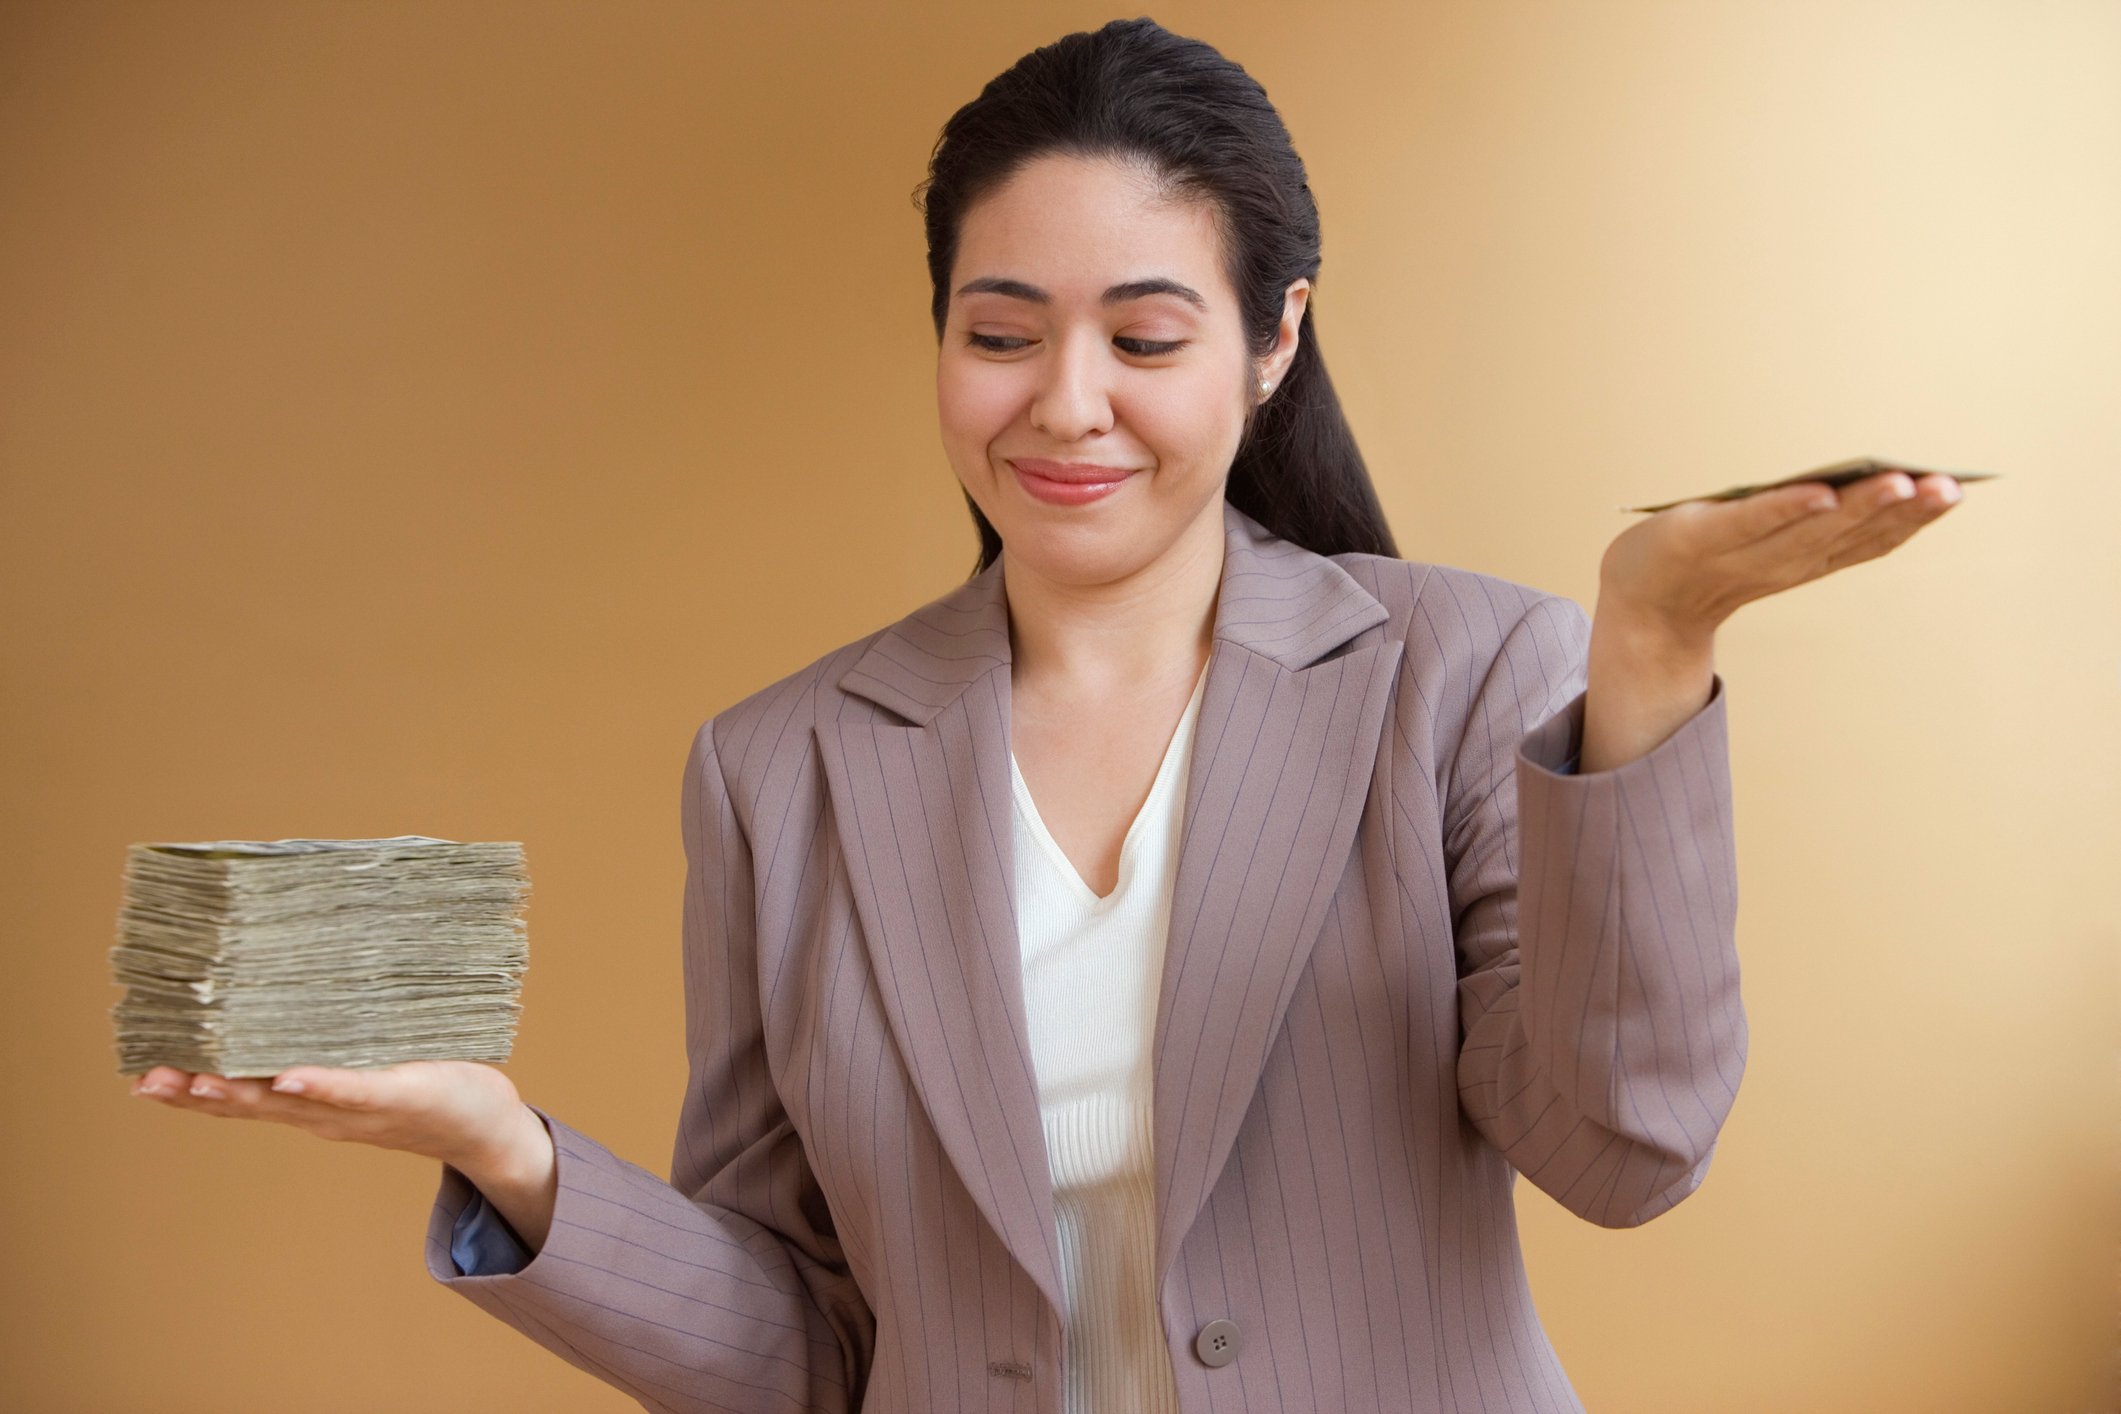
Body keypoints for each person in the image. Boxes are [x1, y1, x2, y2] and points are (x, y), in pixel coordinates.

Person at [129, 17, 1963, 1413]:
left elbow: (1618, 1149)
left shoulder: (1468, 677)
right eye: (1000, 331)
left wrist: (1646, 646)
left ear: (1272, 340)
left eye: (1144, 338)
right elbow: (803, 1338)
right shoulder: (780, 767)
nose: (1063, 403)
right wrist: (500, 1146)